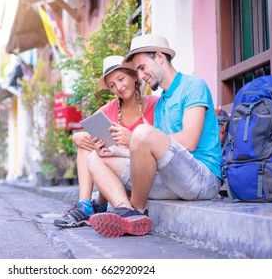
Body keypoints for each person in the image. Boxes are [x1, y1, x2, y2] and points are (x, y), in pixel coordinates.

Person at [88, 34, 222, 237]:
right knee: (96, 158)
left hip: (202, 179)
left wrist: (133, 137)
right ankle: (126, 211)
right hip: (172, 179)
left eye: (142, 68)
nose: (141, 77)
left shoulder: (193, 85)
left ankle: (137, 209)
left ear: (160, 57)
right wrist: (114, 151)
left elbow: (189, 141)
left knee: (142, 132)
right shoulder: (161, 104)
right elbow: (156, 152)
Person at [54, 55, 159, 228]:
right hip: (117, 171)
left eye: (121, 79)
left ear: (134, 76)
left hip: (144, 171)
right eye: (112, 85)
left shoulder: (155, 104)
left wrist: (129, 140)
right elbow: (89, 136)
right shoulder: (107, 110)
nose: (119, 87)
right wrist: (77, 137)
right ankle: (85, 205)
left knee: (101, 154)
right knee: (86, 144)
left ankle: (100, 204)